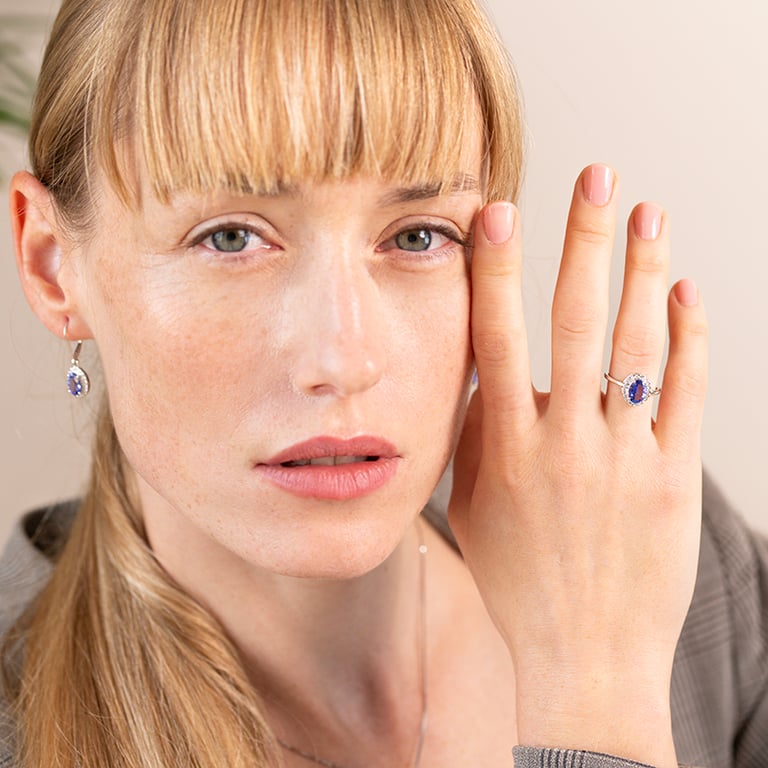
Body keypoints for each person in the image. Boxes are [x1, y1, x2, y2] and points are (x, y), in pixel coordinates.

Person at [1, 0, 766, 766]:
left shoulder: (634, 544)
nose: (345, 360)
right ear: (51, 264)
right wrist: (595, 705)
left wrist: (601, 657)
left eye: (417, 235)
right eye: (230, 238)